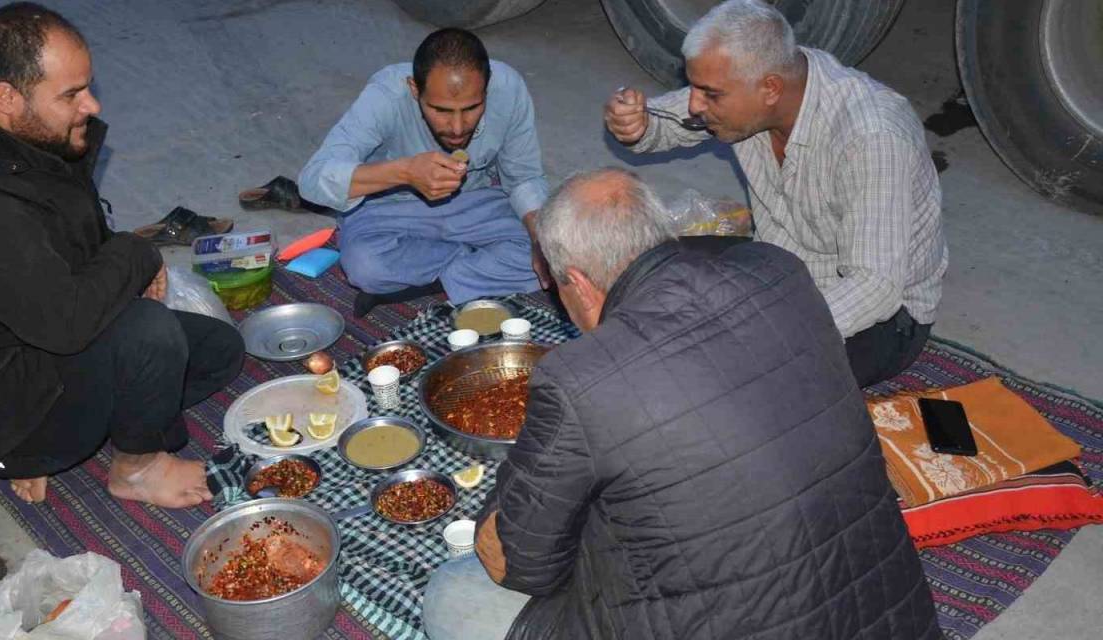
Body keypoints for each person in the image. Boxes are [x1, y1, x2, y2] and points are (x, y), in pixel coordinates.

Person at [422, 169, 942, 640]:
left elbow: (518, 564)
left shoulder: (581, 378)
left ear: (576, 282)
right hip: (892, 620)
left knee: (456, 592)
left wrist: (512, 491)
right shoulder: (780, 272)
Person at [0, 2, 242, 508]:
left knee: (217, 351)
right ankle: (132, 467)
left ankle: (62, 444)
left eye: (88, 87)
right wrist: (136, 253)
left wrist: (118, 264)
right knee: (148, 332)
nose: (93, 106)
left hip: (37, 335)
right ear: (7, 97)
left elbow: (73, 265)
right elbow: (68, 323)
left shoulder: (16, 135)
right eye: (72, 94)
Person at [605, 0, 948, 387]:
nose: (696, 105)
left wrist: (767, 329)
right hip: (779, 270)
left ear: (770, 89)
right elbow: (664, 122)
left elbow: (875, 288)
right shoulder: (763, 86)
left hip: (880, 320)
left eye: (710, 94)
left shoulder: (872, 138)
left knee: (734, 382)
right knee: (637, 269)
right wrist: (638, 123)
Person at [298, 28, 549, 317]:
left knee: (559, 251)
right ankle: (476, 268)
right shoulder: (386, 95)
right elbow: (312, 180)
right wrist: (405, 172)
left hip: (475, 202)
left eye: (472, 108)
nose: (457, 128)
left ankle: (434, 279)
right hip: (389, 209)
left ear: (487, 89)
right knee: (365, 267)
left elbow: (524, 178)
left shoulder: (509, 88)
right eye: (441, 110)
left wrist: (541, 242)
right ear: (414, 89)